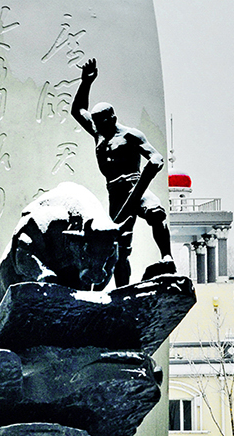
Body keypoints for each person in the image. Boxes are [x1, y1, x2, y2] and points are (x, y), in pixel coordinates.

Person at [71, 58, 175, 286]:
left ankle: (167, 257)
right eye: (96, 124)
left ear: (113, 119)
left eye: (102, 123)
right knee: (118, 245)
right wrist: (86, 82)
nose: (98, 128)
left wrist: (151, 167)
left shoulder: (131, 135)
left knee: (156, 213)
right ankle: (123, 290)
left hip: (136, 186)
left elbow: (156, 157)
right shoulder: (99, 133)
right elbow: (78, 111)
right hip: (115, 195)